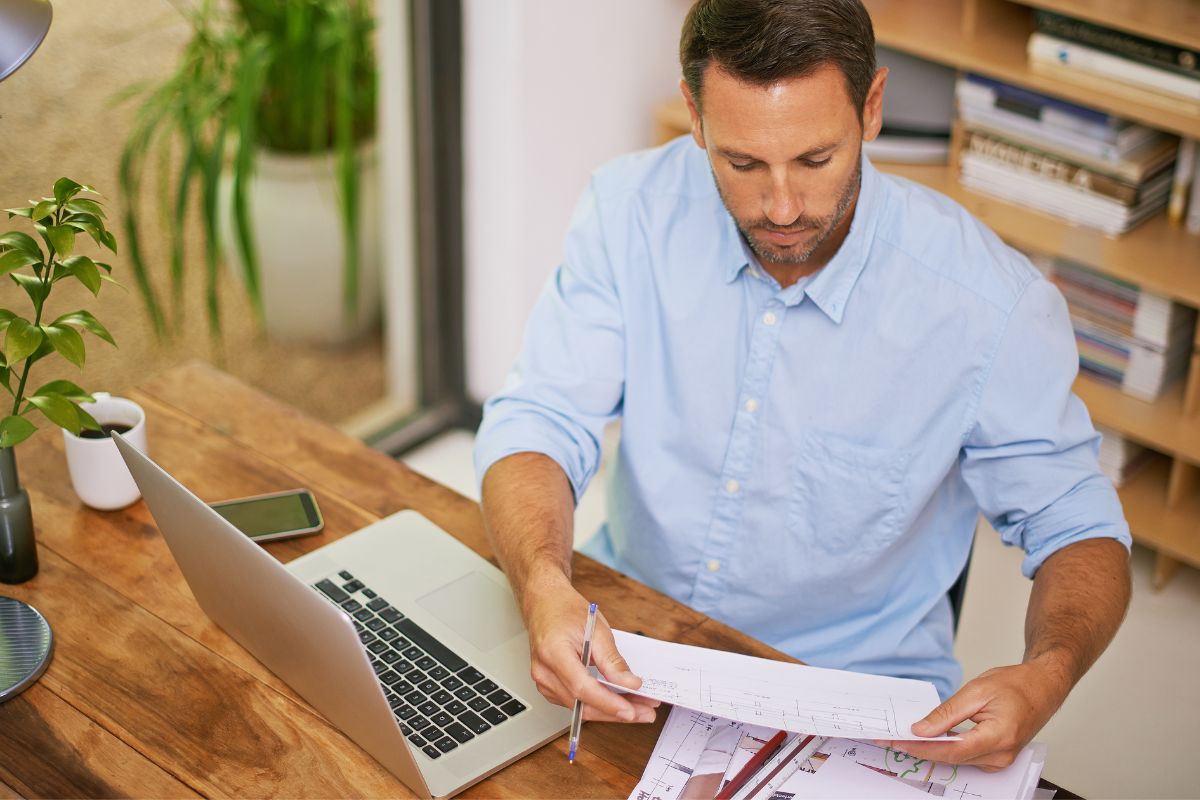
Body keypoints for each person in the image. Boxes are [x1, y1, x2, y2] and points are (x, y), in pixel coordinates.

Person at [473, 0, 1132, 770]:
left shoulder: (988, 305)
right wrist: (543, 581)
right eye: (742, 163)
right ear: (695, 116)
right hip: (631, 650)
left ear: (872, 108)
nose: (781, 207)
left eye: (816, 161)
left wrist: (1046, 676)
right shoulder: (630, 212)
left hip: (855, 707)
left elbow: (1079, 527)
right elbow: (540, 418)